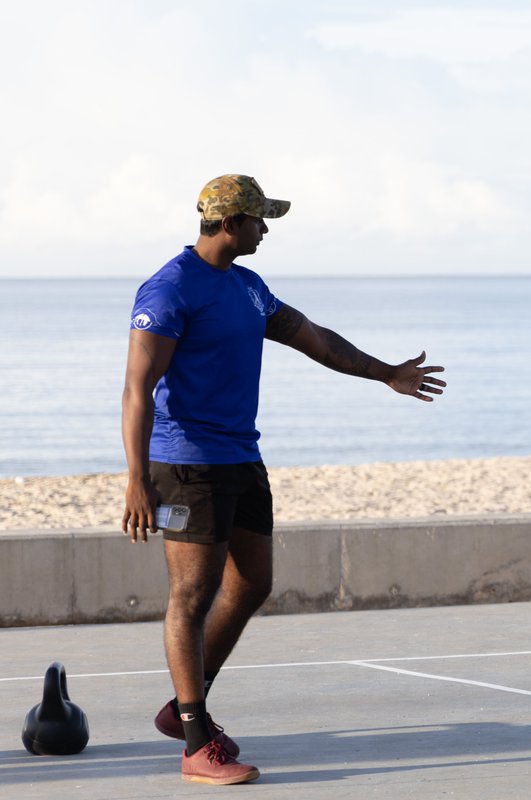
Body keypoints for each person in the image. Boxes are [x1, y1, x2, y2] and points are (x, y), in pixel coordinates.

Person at [121, 174, 447, 785]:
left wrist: (386, 374)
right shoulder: (169, 291)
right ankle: (196, 742)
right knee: (190, 597)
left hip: (241, 457)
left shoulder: (247, 287)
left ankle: (183, 706)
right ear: (229, 224)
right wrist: (138, 479)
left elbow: (314, 339)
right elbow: (137, 388)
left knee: (252, 584)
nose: (265, 230)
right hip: (186, 462)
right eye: (258, 220)